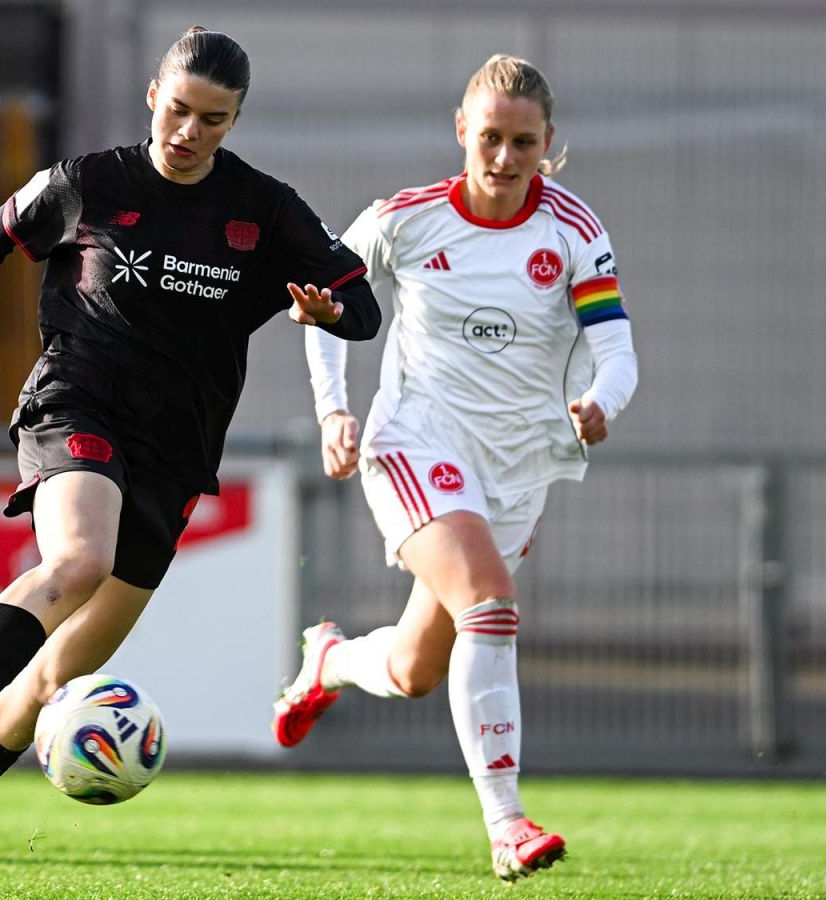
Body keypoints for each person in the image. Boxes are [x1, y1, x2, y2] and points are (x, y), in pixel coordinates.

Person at [0, 27, 380, 900]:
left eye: (212, 119)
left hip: (175, 451)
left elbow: (361, 301)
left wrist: (327, 314)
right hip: (77, 403)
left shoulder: (264, 210)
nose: (189, 131)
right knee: (76, 561)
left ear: (233, 122)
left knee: (59, 671)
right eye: (178, 108)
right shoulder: (88, 182)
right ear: (152, 94)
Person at [271, 54, 638, 884]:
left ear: (549, 144)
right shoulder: (406, 219)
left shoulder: (574, 232)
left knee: (413, 669)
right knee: (490, 601)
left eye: (523, 143)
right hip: (417, 442)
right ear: (461, 133)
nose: (505, 160)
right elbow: (327, 307)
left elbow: (616, 347)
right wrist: (335, 407)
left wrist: (601, 403)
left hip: (518, 465)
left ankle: (329, 660)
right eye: (490, 139)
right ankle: (507, 825)